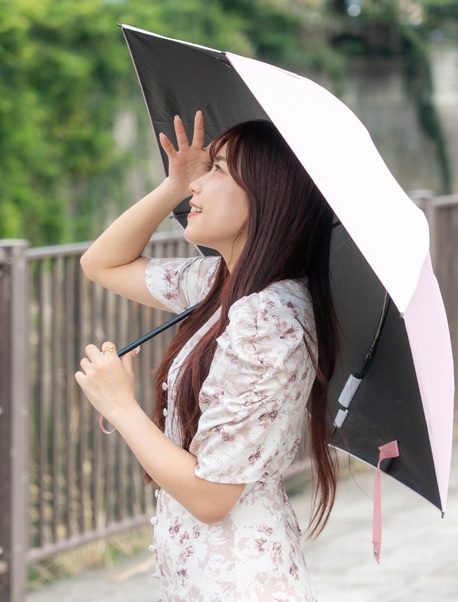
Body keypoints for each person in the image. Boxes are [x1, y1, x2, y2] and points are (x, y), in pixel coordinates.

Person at [75, 111, 340, 601]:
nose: (198, 181)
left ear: (265, 194)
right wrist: (173, 187)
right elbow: (102, 263)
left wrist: (119, 406)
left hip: (238, 584)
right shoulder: (221, 283)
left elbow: (212, 496)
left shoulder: (265, 317)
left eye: (217, 169)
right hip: (207, 578)